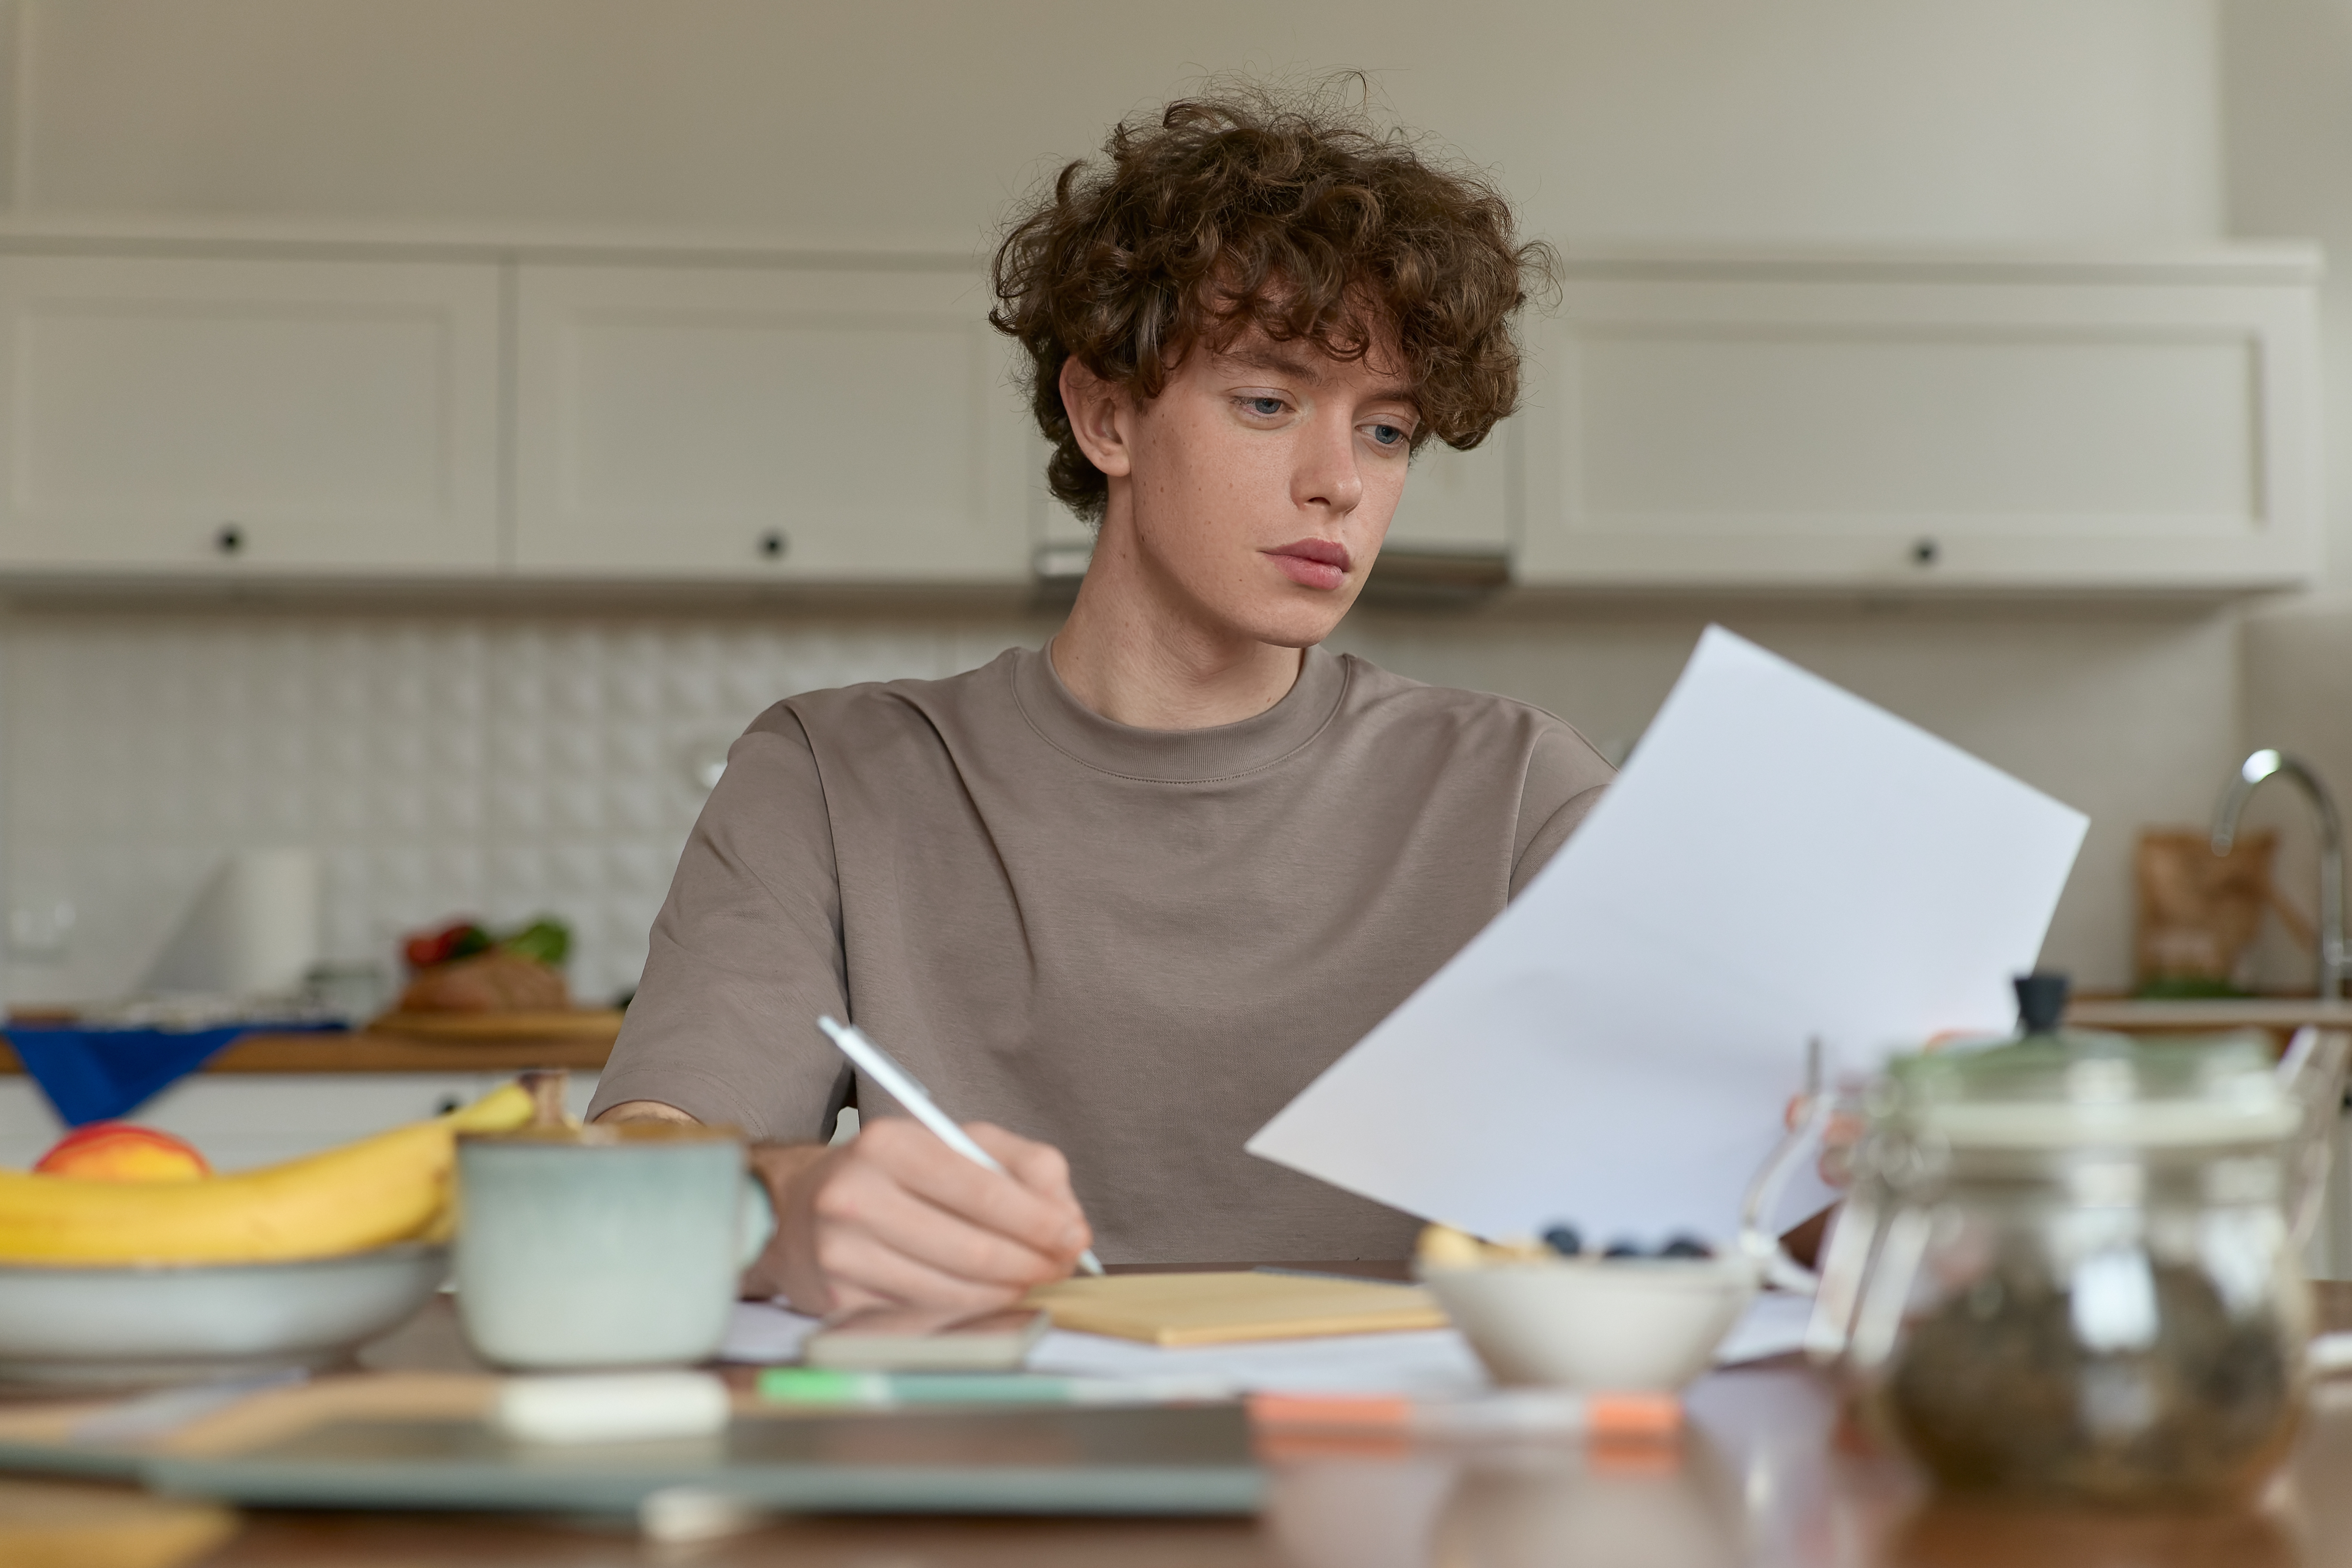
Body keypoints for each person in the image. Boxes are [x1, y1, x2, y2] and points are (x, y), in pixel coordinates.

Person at [587, 86, 1613, 1316]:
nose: (1340, 483)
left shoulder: (1519, 793)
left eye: (1387, 432)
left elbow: (1739, 1187)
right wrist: (768, 1212)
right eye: (1269, 403)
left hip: (1408, 1479)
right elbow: (637, 1161)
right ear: (1108, 414)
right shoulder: (832, 773)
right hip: (984, 1464)